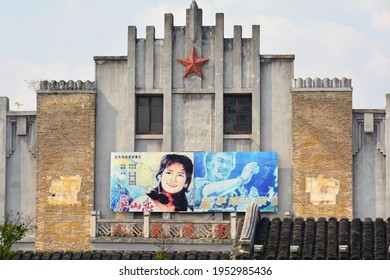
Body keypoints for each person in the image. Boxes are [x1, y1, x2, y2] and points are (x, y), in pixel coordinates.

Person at [194, 152, 259, 211]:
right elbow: (208, 192)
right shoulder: (196, 183)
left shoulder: (232, 194)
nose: (225, 166)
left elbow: (235, 212)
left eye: (229, 163)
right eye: (220, 161)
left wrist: (248, 202)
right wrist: (241, 179)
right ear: (208, 164)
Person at [129, 154, 194, 212]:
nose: (173, 179)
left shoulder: (187, 211)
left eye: (180, 175)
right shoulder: (140, 203)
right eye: (169, 173)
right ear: (160, 175)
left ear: (186, 181)